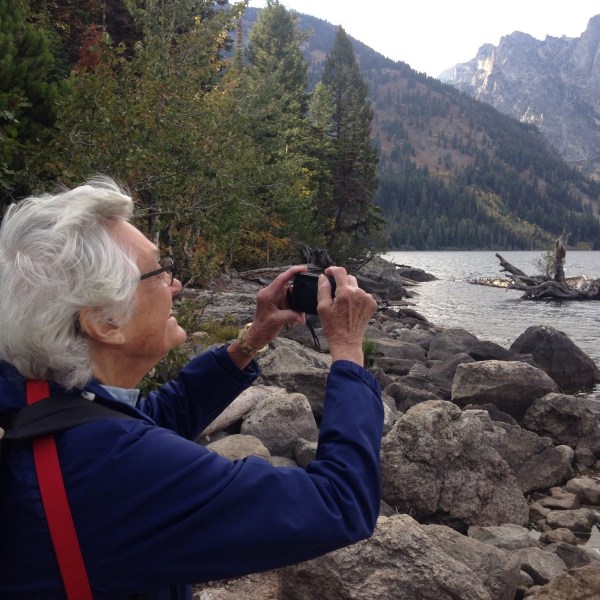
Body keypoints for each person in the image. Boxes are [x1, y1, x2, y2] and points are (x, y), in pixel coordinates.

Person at [0, 177, 383, 599]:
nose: (176, 285)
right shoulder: (119, 470)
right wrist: (347, 351)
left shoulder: (30, 396)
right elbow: (339, 504)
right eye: (160, 273)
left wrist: (252, 339)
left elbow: (151, 421)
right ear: (103, 323)